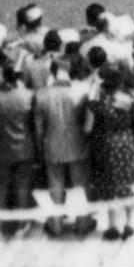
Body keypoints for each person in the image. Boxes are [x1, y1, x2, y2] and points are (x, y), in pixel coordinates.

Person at [87, 63, 134, 239]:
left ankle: (112, 225)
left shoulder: (96, 103)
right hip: (127, 143)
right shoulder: (129, 99)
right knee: (130, 183)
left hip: (107, 144)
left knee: (110, 185)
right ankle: (129, 223)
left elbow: (88, 128)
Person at [34, 58, 91, 234]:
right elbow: (86, 122)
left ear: (52, 73)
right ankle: (82, 224)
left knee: (55, 186)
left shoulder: (41, 94)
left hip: (52, 145)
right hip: (77, 144)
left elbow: (38, 128)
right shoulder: (81, 92)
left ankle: (56, 225)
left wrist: (38, 148)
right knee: (79, 185)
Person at [0, 64, 37, 211]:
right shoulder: (29, 95)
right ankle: (22, 223)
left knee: (0, 185)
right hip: (24, 147)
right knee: (23, 186)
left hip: (0, 147)